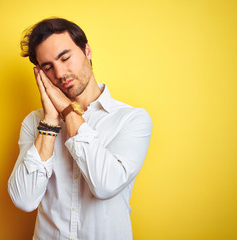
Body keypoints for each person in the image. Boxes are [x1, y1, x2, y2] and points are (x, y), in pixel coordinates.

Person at [8, 17, 152, 240]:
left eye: (65, 58)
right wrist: (50, 121)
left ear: (87, 51)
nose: (60, 73)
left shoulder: (132, 119)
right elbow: (25, 200)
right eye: (48, 67)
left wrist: (67, 111)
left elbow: (105, 185)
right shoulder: (34, 123)